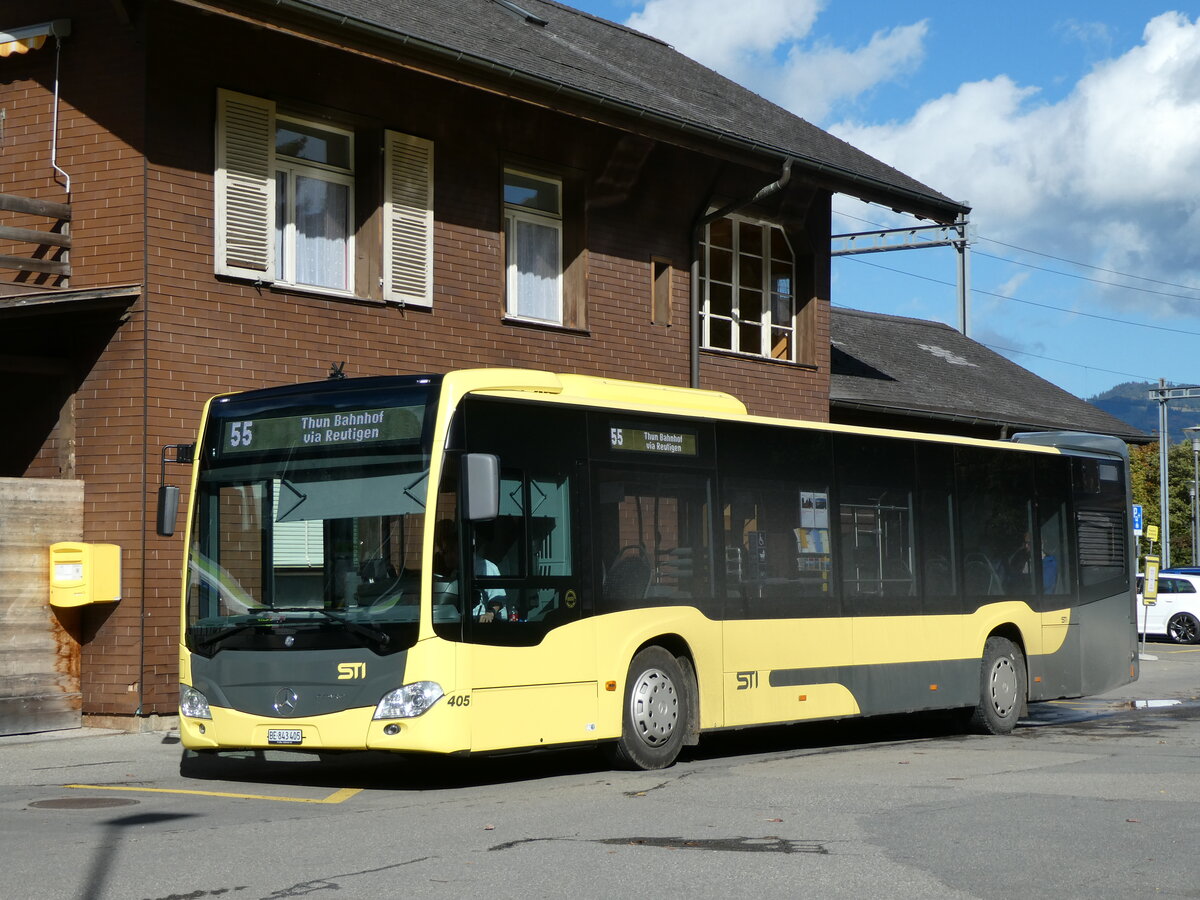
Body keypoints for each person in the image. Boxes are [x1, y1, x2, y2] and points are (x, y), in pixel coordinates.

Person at [433, 519, 507, 622]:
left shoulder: (484, 567)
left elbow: (498, 597)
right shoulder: (456, 572)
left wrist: (489, 614)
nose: (444, 556)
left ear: (459, 550)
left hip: (487, 624)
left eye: (446, 551)